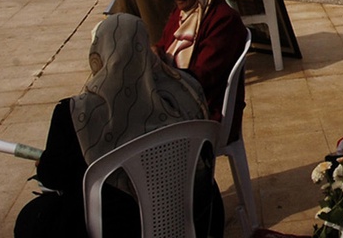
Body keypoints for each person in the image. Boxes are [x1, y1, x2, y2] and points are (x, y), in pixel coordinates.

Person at [14, 14, 214, 238]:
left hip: (119, 226)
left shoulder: (76, 113)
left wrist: (45, 164)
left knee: (34, 218)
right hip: (193, 213)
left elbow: (54, 178)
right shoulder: (187, 87)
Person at [156, 0, 247, 144]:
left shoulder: (223, 19)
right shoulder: (181, 14)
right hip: (179, 94)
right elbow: (163, 47)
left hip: (207, 106)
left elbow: (205, 76)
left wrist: (165, 77)